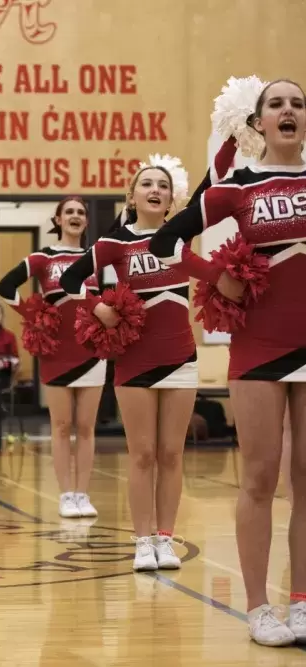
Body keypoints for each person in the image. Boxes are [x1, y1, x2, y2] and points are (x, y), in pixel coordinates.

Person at [149, 79, 306, 646]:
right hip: (260, 345)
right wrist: (219, 276)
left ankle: (303, 602)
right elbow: (165, 242)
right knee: (261, 478)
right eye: (276, 104)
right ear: (258, 121)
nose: (287, 111)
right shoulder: (237, 185)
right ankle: (260, 607)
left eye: (297, 103)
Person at [60, 140, 236, 575]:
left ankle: (164, 537)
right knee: (141, 453)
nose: (155, 190)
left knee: (172, 454)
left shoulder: (179, 235)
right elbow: (69, 278)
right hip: (134, 360)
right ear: (132, 196)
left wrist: (233, 135)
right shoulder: (112, 244)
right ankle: (142, 540)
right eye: (146, 184)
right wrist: (97, 306)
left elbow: (210, 182)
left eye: (163, 185)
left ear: (171, 198)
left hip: (180, 356)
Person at [0, 197, 105, 519]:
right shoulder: (43, 257)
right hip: (57, 351)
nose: (74, 216)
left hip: (92, 349)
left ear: (86, 222)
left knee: (85, 427)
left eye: (80, 213)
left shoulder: (93, 257)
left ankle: (83, 494)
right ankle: (65, 494)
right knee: (61, 425)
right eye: (68, 212)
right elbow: (5, 286)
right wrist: (33, 313)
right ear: (57, 220)